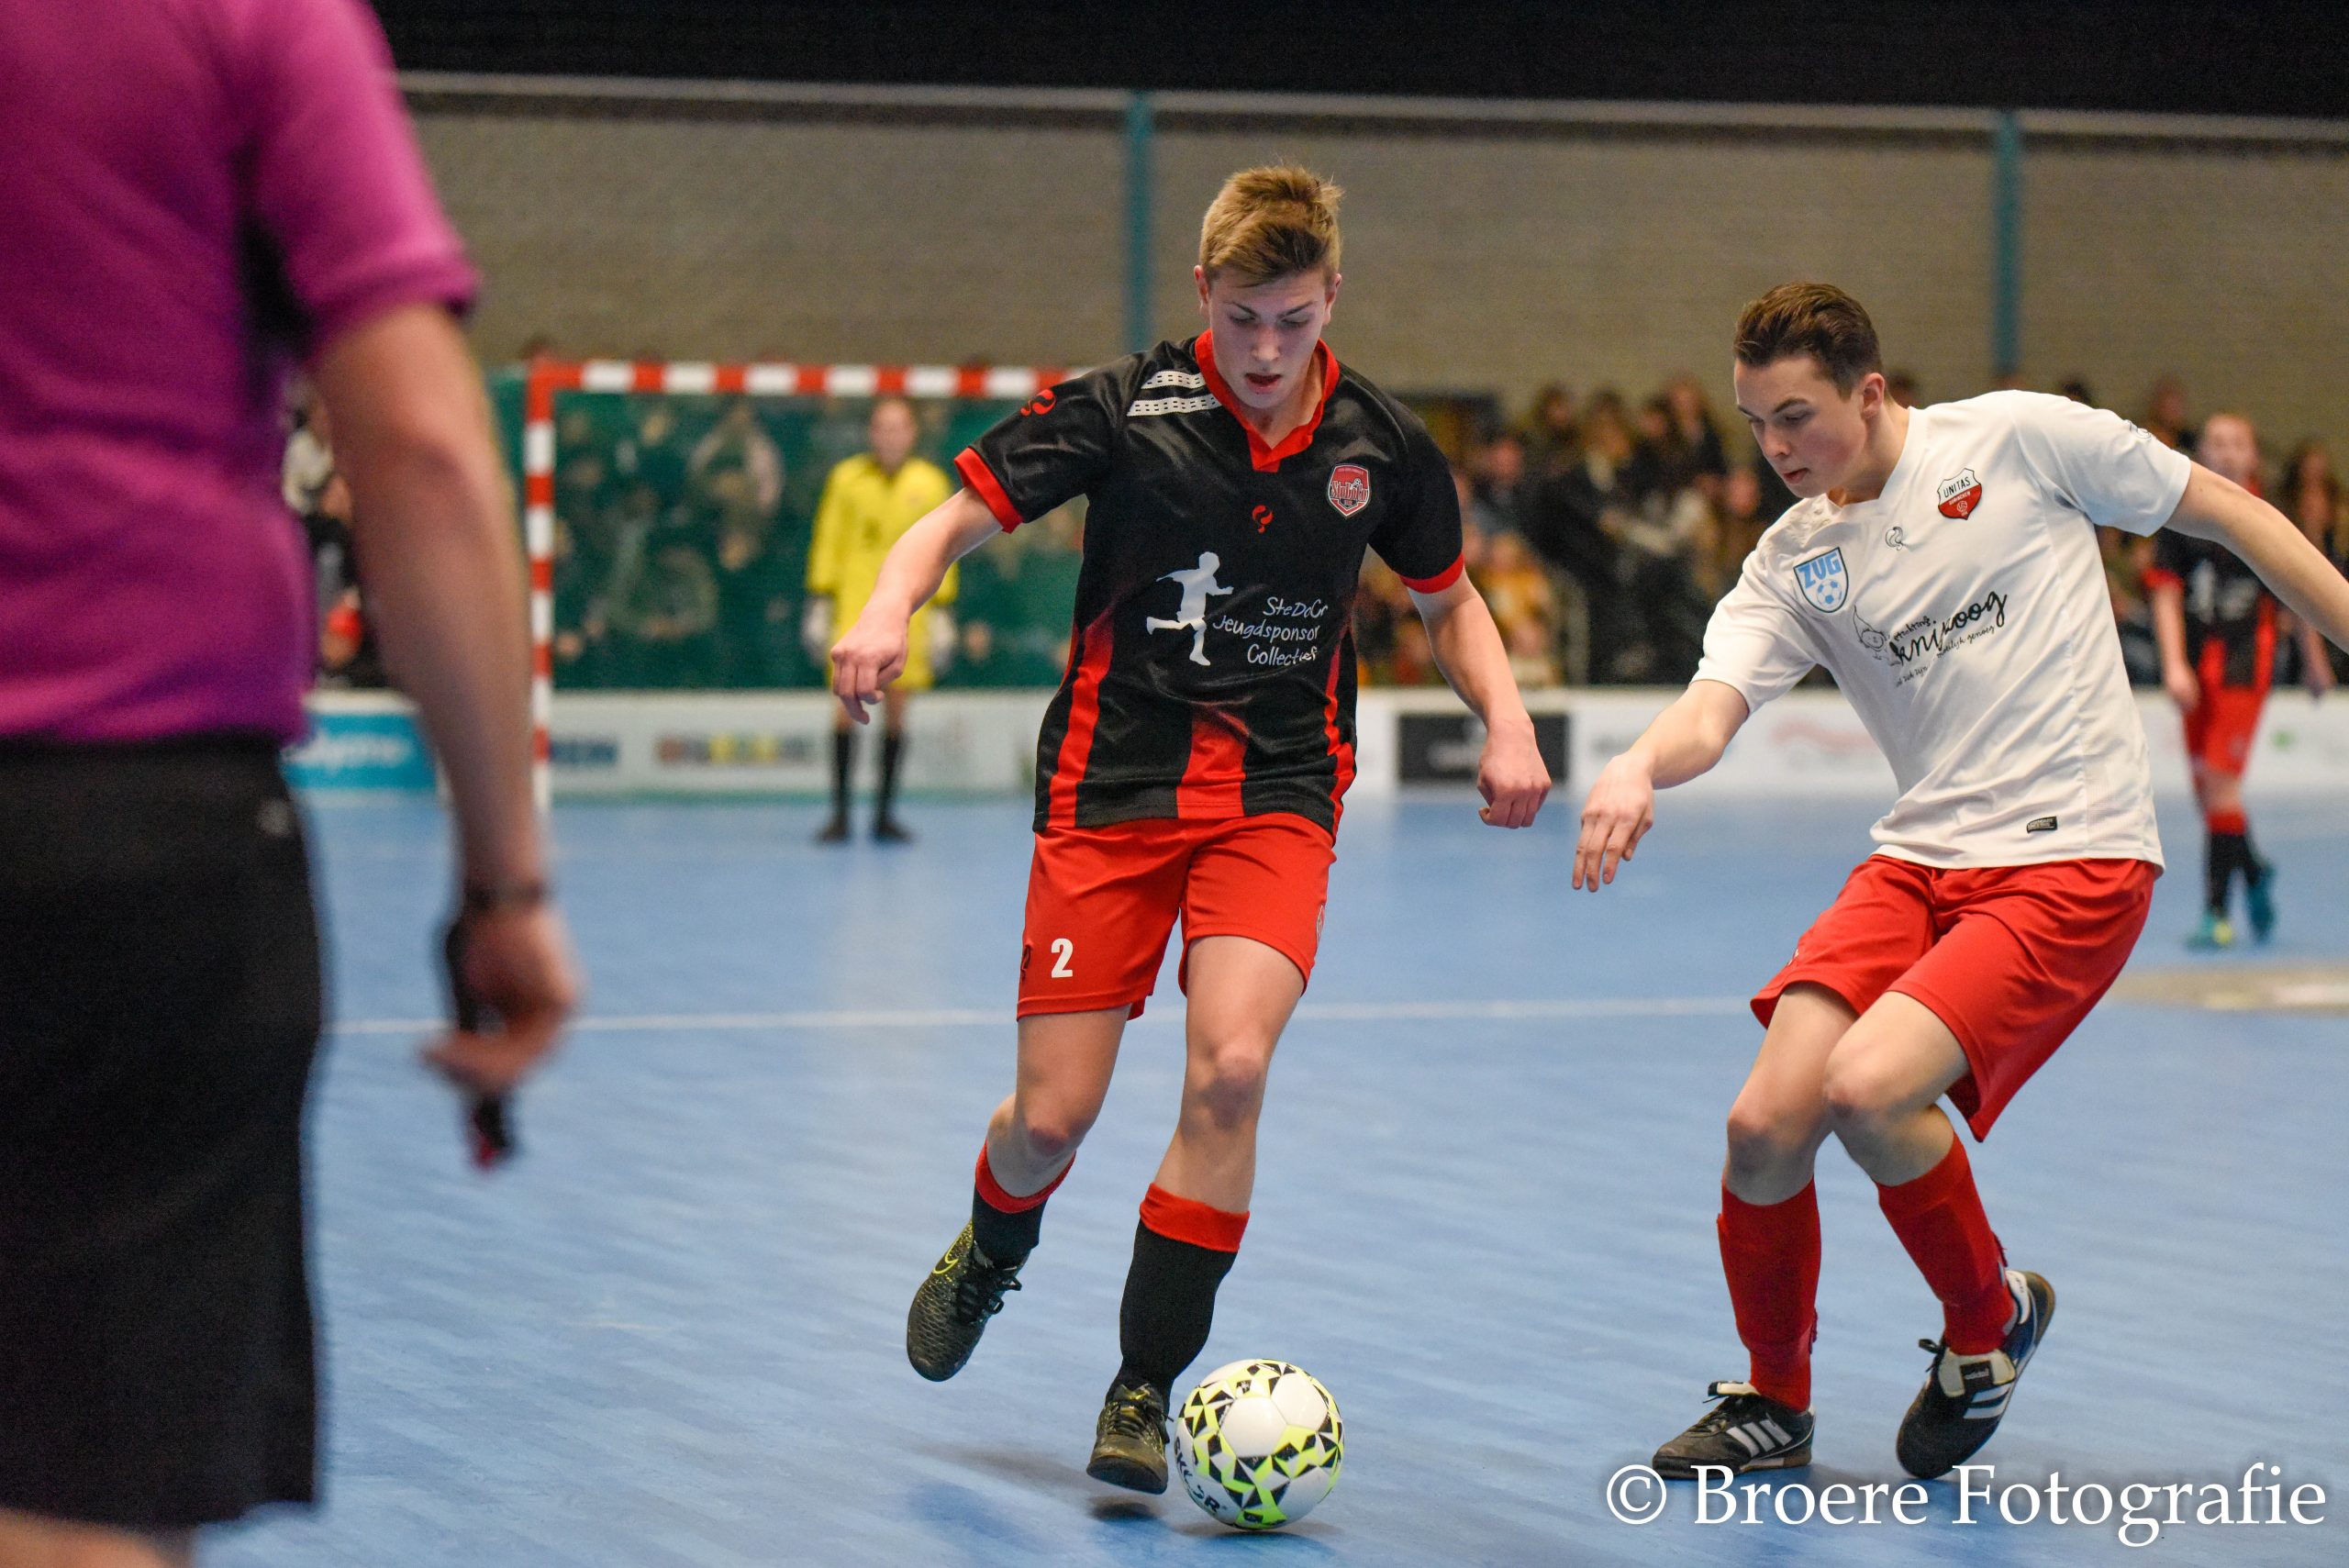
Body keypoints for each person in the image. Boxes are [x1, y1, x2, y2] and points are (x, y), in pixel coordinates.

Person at [829, 165, 1550, 1495]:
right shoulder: (1119, 408)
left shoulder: (1381, 442)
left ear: (1332, 298)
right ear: (1203, 291)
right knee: (1052, 1120)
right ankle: (991, 1245)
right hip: (1109, 791)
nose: (1268, 351)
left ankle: (1142, 1385)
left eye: (1295, 320)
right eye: (1243, 320)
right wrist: (886, 608)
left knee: (1230, 1069)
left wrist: (1506, 719)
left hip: (1278, 791)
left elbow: (1448, 600)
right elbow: (954, 519)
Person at [1573, 284, 2349, 1485]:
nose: (1775, 447)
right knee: (1763, 1125)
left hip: (2073, 855)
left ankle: (1987, 1328)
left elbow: (2233, 513)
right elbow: (1712, 708)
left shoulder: (2020, 440)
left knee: (1867, 1089)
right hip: (1921, 858)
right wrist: (1636, 763)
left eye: (1796, 416)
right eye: (1754, 422)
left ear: (1871, 392)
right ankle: (1776, 1401)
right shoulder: (1795, 557)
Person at [0, 3, 580, 1563]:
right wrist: (503, 879)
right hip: (125, 832)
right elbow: (423, 451)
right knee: (84, 1497)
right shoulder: (245, 21)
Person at [2145, 414, 2332, 947]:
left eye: (2237, 444)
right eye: (2216, 443)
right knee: (2209, 794)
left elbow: (2298, 589)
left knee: (2220, 784)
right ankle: (2254, 871)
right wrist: (2174, 664)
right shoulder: (2177, 517)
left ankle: (2216, 914)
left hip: (2245, 662)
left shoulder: (2268, 518)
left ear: (2252, 457)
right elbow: (2165, 593)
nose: (2226, 452)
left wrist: (2314, 659)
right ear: (2200, 454)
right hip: (2197, 662)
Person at [805, 397, 957, 841]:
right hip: (854, 607)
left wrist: (944, 607)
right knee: (844, 707)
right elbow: (828, 539)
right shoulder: (846, 479)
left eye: (899, 428)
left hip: (913, 610)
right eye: (882, 428)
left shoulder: (930, 483)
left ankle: (884, 815)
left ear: (912, 433)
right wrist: (820, 598)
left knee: (898, 710)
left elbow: (946, 547)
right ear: (871, 433)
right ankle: (840, 815)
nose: (890, 437)